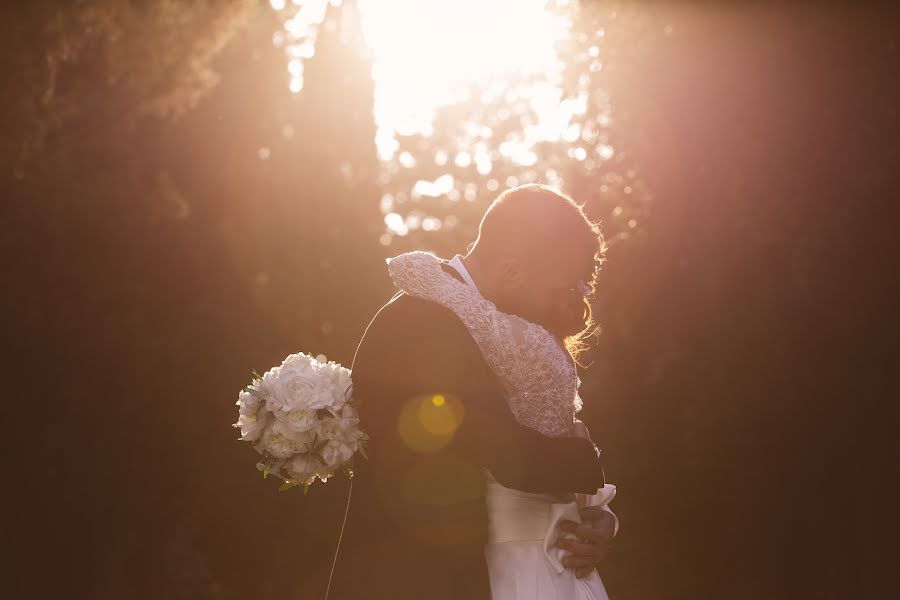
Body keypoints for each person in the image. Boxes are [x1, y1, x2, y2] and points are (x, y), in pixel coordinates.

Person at [328, 185, 615, 599]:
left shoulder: (483, 323)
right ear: (513, 270)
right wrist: (585, 456)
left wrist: (595, 514)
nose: (564, 303)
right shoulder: (422, 323)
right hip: (410, 580)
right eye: (559, 289)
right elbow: (508, 454)